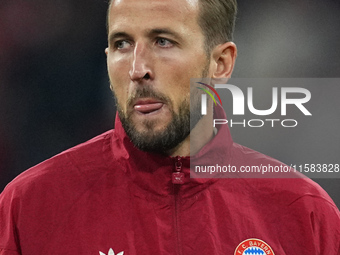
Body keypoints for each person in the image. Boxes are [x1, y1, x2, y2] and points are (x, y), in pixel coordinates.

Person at [1, 0, 339, 254]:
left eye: (163, 41)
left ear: (220, 63)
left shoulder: (304, 213)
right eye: (122, 44)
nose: (138, 69)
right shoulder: (29, 206)